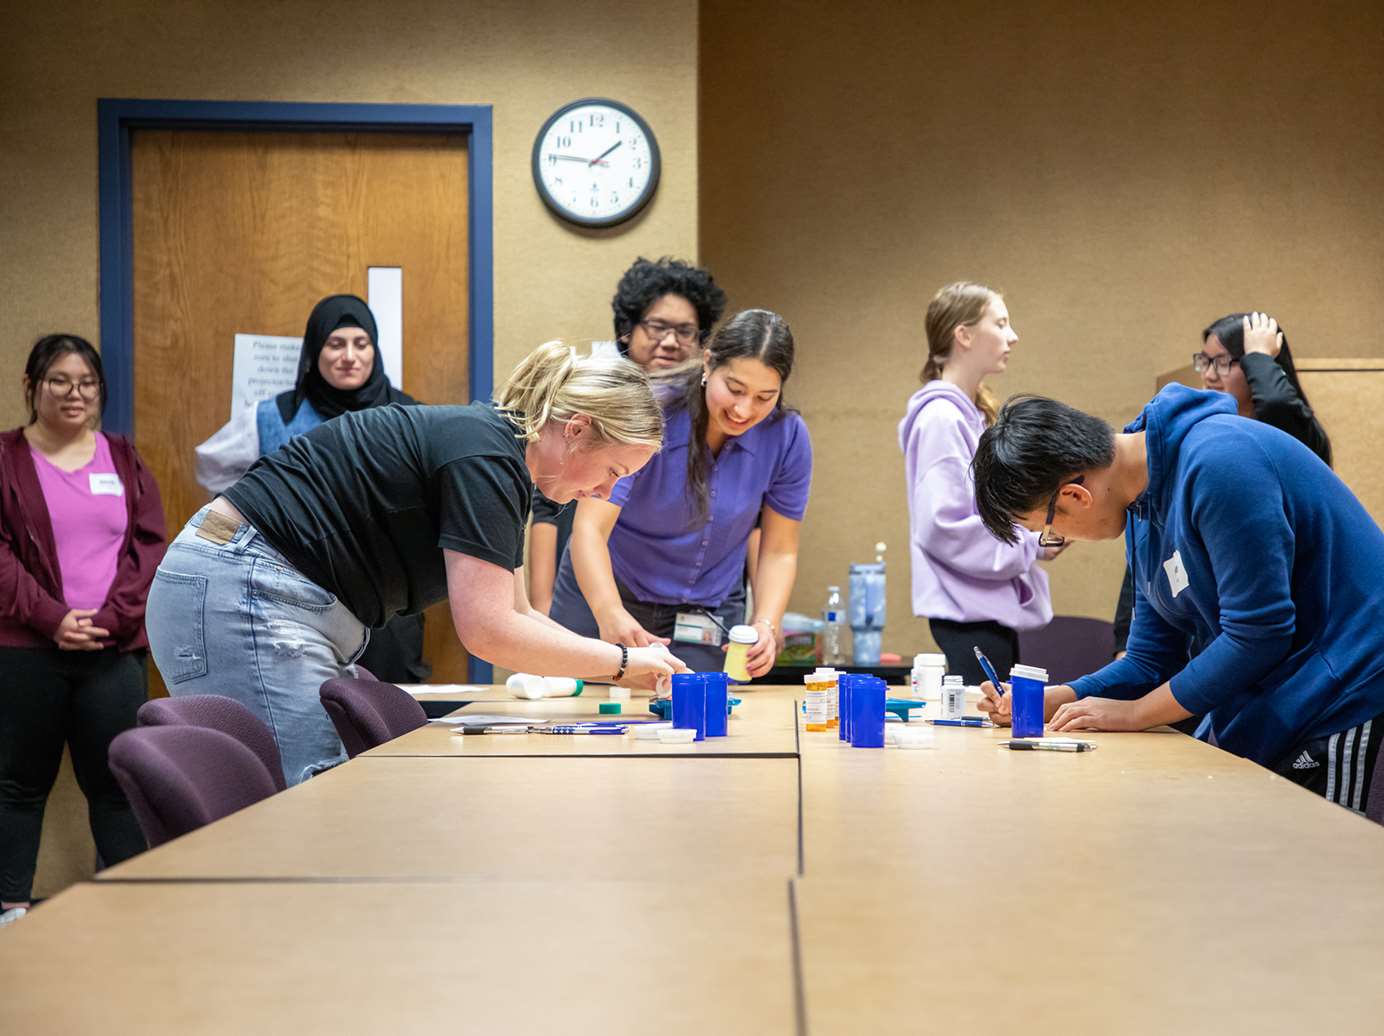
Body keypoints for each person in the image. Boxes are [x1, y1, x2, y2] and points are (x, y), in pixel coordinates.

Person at [146, 341, 686, 786]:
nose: (604, 490)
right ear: (576, 429)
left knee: (323, 796)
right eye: (612, 469)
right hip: (239, 586)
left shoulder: (500, 459)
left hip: (254, 587)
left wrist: (620, 665)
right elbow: (490, 632)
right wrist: (618, 662)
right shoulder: (485, 456)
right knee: (314, 795)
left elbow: (518, 614)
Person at [971, 384, 1384, 823]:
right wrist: (1057, 699)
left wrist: (1134, 715)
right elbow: (1150, 660)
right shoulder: (1141, 511)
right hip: (1282, 698)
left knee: (1318, 868)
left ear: (1075, 496)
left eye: (1050, 530)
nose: (1061, 541)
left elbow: (1259, 634)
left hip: (1343, 690)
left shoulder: (1221, 462)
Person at [1, 334, 166, 927]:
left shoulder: (122, 457)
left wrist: (111, 619)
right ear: (31, 387)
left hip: (113, 650)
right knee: (19, 785)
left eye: (87, 383)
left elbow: (148, 546)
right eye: (59, 381)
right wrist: (52, 618)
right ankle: (11, 911)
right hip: (25, 651)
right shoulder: (5, 458)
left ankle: (129, 913)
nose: (75, 394)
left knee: (119, 782)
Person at [549, 309, 812, 677]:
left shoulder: (787, 436)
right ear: (707, 363)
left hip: (705, 615)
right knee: (586, 716)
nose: (743, 409)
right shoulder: (653, 410)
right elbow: (590, 530)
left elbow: (780, 549)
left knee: (699, 717)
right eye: (734, 389)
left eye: (764, 397)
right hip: (609, 595)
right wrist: (609, 612)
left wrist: (766, 623)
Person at [195, 294, 428, 682]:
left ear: (375, 350)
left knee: (389, 726)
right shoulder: (274, 416)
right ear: (314, 351)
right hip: (293, 606)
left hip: (388, 608)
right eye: (335, 344)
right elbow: (215, 476)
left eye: (361, 343)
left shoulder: (408, 416)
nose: (349, 356)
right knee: (307, 717)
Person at [1112, 312, 1331, 654]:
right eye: (1205, 361)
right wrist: (1125, 641)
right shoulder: (1189, 441)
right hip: (1214, 636)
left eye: (1224, 362)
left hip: (1291, 637)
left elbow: (1276, 405)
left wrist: (1259, 355)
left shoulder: (1287, 435)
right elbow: (1152, 550)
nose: (1210, 375)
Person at [529, 258, 727, 613]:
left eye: (685, 331)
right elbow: (545, 506)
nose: (670, 342)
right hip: (582, 575)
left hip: (662, 588)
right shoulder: (593, 386)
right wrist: (542, 603)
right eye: (657, 327)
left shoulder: (702, 407)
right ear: (627, 329)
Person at [898, 282, 1054, 686]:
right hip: (969, 616)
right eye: (1000, 323)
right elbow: (944, 526)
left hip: (987, 610)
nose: (1012, 335)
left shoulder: (972, 417)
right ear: (963, 335)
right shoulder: (941, 420)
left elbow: (989, 515)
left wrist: (1036, 537)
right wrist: (1026, 545)